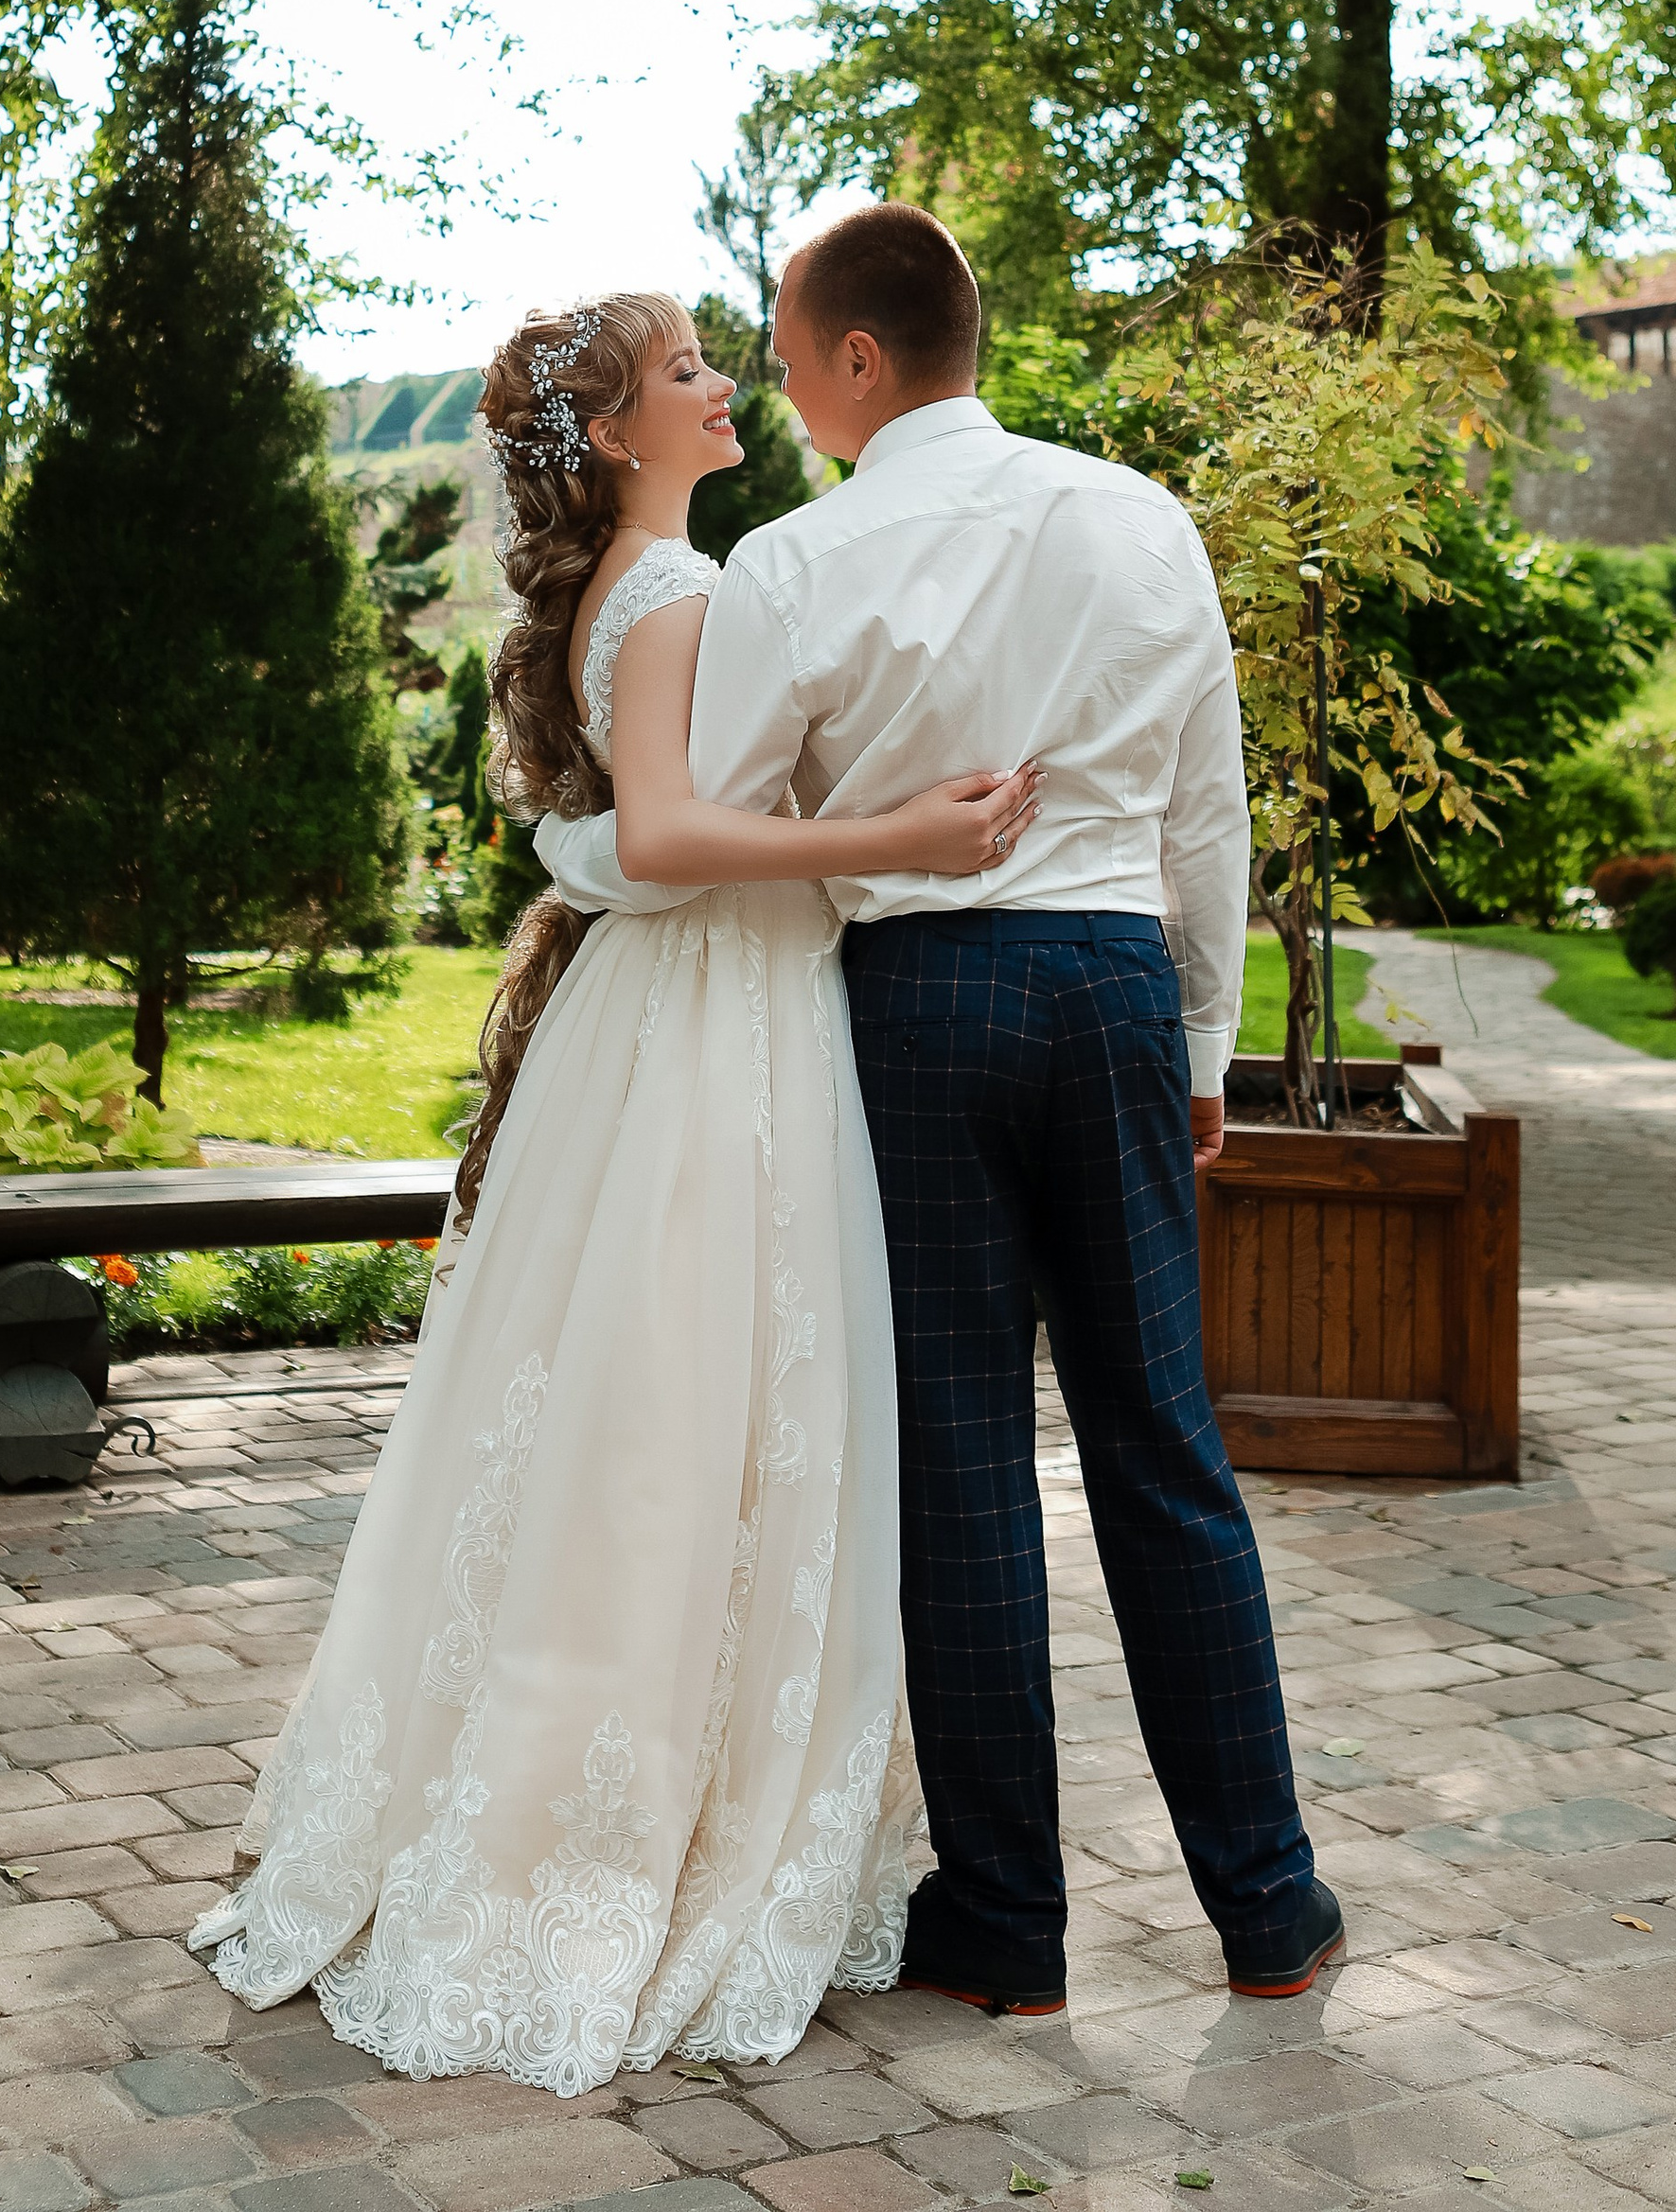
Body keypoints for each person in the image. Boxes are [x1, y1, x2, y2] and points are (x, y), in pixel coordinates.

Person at [190, 292, 1038, 2093]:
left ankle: (629, 1779)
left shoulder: (636, 593)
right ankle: (624, 1833)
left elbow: (636, 833)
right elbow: (659, 840)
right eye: (685, 374)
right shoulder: (676, 595)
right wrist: (903, 835)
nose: (725, 384)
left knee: (645, 1420)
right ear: (622, 439)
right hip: (712, 1026)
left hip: (685, 1014)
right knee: (684, 1418)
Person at [540, 202, 1338, 2017]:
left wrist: (572, 848)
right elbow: (1207, 815)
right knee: (1165, 1450)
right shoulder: (1141, 517)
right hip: (1118, 989)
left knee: (961, 1462)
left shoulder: (810, 565)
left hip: (923, 1008)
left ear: (859, 362)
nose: (786, 392)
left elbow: (701, 829)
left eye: (793, 356)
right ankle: (1271, 1910)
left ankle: (1010, 1926)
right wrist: (1202, 1049)